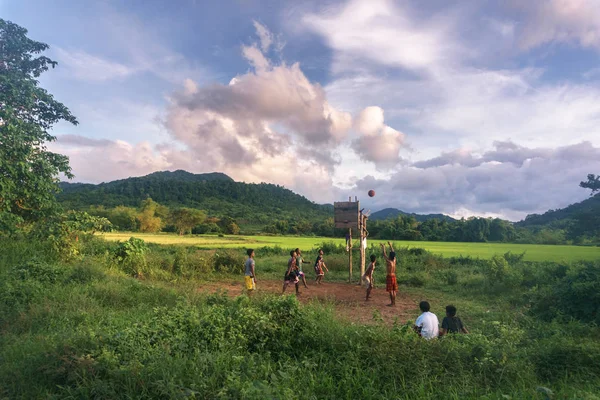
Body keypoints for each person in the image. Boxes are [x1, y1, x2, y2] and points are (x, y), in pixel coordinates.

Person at [381, 241, 397, 306]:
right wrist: (390, 245)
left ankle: (392, 303)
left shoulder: (389, 262)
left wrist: (383, 247)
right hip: (394, 276)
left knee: (390, 290)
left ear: (390, 256)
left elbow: (384, 254)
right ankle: (394, 302)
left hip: (389, 276)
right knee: (394, 290)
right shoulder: (394, 260)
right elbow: (393, 252)